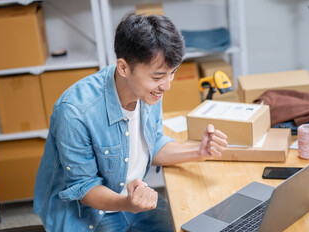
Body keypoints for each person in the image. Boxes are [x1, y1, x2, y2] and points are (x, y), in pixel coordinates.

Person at [34, 13, 228, 232]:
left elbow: (152, 144)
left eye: (172, 73)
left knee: (189, 225)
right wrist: (128, 204)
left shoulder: (149, 92)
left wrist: (198, 151)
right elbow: (84, 189)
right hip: (87, 214)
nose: (167, 85)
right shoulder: (75, 111)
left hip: (131, 202)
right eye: (157, 77)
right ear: (124, 68)